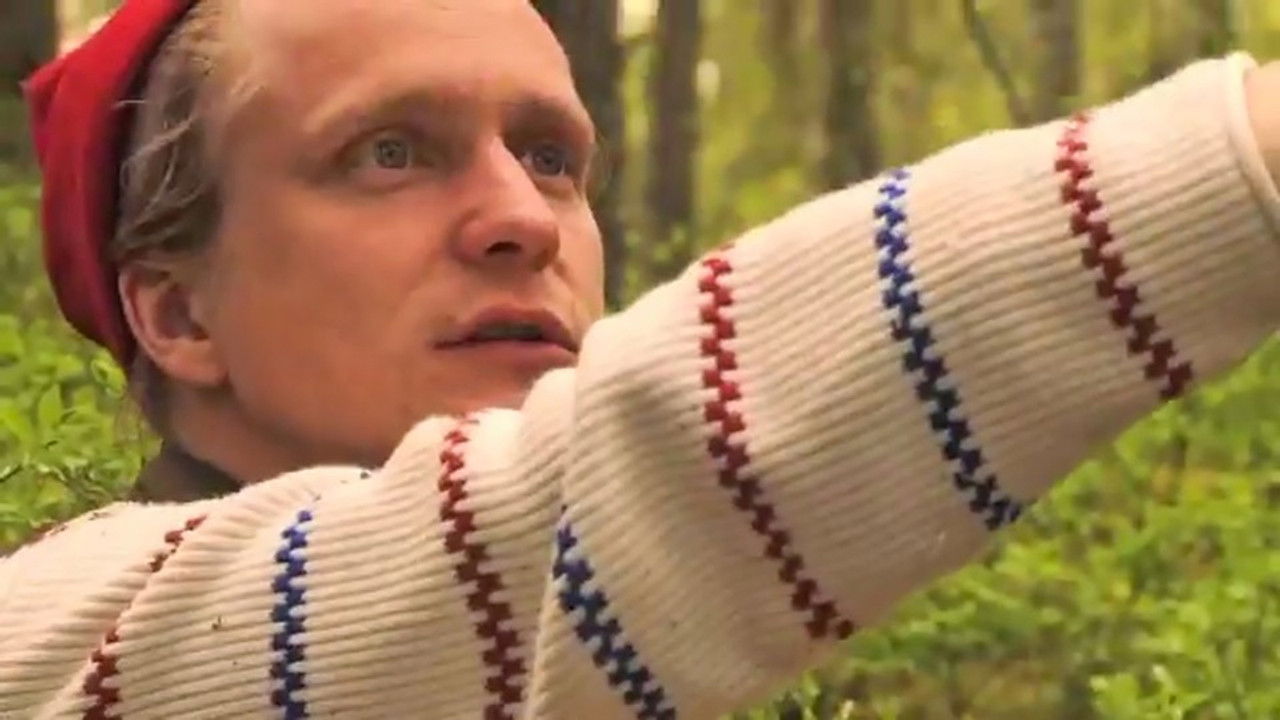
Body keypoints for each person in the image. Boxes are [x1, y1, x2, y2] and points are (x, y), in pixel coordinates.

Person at [3, 0, 1280, 717]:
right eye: (387, 152)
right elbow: (595, 501)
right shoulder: (71, 642)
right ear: (179, 316)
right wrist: (1238, 170)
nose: (521, 217)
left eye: (550, 158)